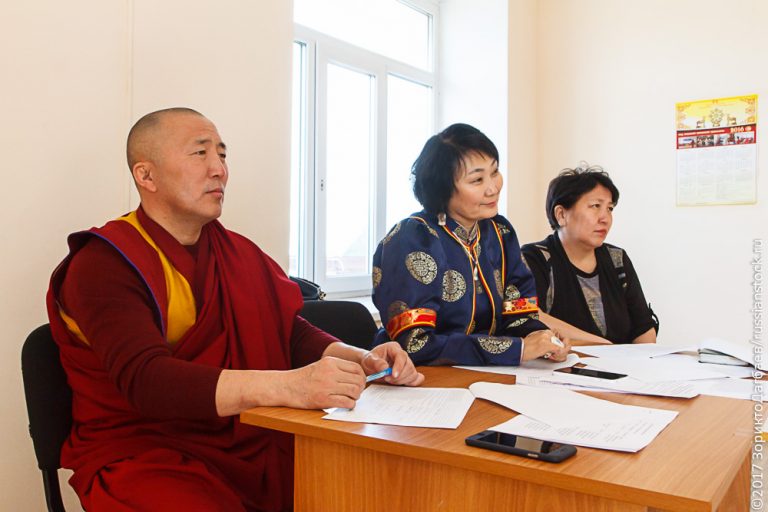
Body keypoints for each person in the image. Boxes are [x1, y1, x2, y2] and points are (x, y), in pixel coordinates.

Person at [46, 107, 424, 512]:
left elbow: (286, 331)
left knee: (369, 482)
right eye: (200, 153)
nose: (219, 170)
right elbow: (146, 381)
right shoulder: (105, 264)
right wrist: (290, 387)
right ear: (146, 175)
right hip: (147, 451)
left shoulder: (235, 251)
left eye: (222, 155)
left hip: (248, 434)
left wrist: (361, 359)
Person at [371, 123, 570, 366]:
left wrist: (542, 338)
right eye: (477, 180)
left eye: (495, 172)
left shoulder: (500, 231)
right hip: (420, 378)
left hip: (490, 375)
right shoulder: (413, 237)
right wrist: (516, 349)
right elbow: (414, 344)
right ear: (443, 189)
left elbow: (519, 315)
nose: (493, 188)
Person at [521, 163, 658, 345]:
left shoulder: (617, 259)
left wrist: (644, 359)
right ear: (561, 215)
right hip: (561, 363)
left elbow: (643, 327)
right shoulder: (533, 259)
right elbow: (524, 314)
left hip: (621, 362)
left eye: (609, 208)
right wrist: (603, 345)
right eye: (595, 206)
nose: (605, 218)